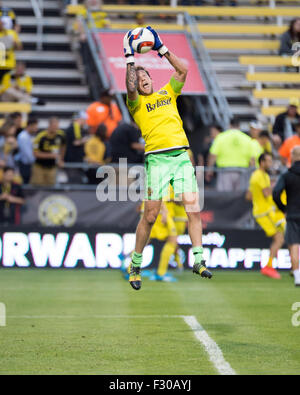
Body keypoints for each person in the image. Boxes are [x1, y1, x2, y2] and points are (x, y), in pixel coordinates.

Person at [124, 26, 212, 290]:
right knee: (150, 216)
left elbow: (183, 71)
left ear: (151, 77)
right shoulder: (135, 104)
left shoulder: (168, 93)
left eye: (145, 76)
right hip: (157, 161)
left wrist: (161, 48)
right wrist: (130, 58)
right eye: (139, 80)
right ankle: (136, 263)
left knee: (193, 208)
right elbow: (129, 87)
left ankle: (198, 260)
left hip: (181, 158)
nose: (142, 80)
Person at [248, 153, 285, 279]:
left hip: (265, 211)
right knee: (280, 238)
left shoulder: (259, 175)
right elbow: (266, 193)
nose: (270, 164)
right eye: (268, 161)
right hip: (264, 212)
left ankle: (270, 266)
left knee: (280, 238)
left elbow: (248, 195)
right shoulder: (260, 175)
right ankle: (268, 267)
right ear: (262, 162)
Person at [273, 146, 300, 286]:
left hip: (293, 214)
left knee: (294, 245)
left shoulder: (287, 174)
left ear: (293, 157)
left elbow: (276, 193)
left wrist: (283, 208)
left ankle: (297, 277)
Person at [206, 117, 255, 191]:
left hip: (225, 172)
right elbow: (252, 159)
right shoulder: (247, 139)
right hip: (242, 172)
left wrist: (209, 170)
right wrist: (252, 173)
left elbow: (213, 155)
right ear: (239, 126)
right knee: (240, 197)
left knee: (225, 197)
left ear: (229, 125)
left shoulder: (221, 137)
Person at [31, 117, 66, 186]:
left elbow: (63, 147)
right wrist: (51, 155)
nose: (56, 129)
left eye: (57, 127)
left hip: (52, 167)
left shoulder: (61, 135)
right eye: (54, 126)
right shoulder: (40, 137)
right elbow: (35, 154)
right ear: (49, 126)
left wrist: (61, 159)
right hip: (40, 167)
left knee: (51, 187)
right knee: (38, 186)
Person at [16, 117, 39, 184]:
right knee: (25, 183)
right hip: (24, 165)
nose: (36, 128)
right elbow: (28, 154)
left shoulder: (29, 136)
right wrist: (37, 160)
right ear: (30, 126)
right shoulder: (23, 137)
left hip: (28, 165)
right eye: (35, 126)